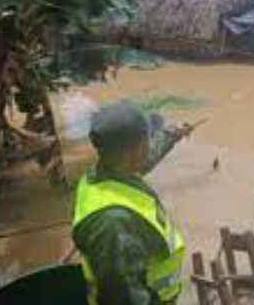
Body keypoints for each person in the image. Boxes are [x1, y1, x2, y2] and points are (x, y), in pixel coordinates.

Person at [72, 102, 194, 305]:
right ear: (135, 151)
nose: (150, 142)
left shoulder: (106, 173)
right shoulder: (113, 224)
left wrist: (173, 134)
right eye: (147, 138)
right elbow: (125, 297)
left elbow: (149, 157)